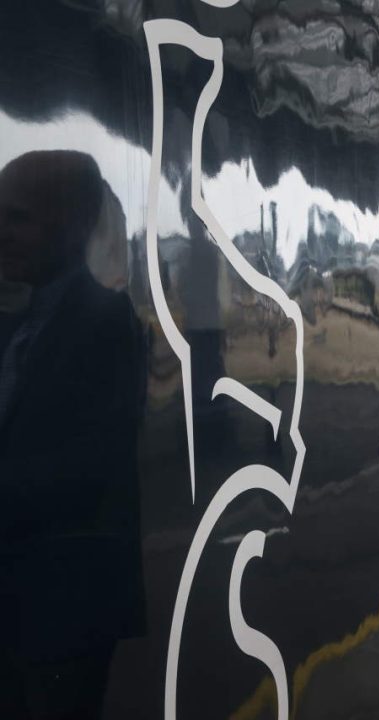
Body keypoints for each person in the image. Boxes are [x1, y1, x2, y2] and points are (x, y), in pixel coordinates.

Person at [0, 150, 145, 719]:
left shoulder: (107, 323)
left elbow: (87, 465)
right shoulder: (18, 319)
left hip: (65, 604)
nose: (0, 232)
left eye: (18, 218)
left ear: (73, 224)